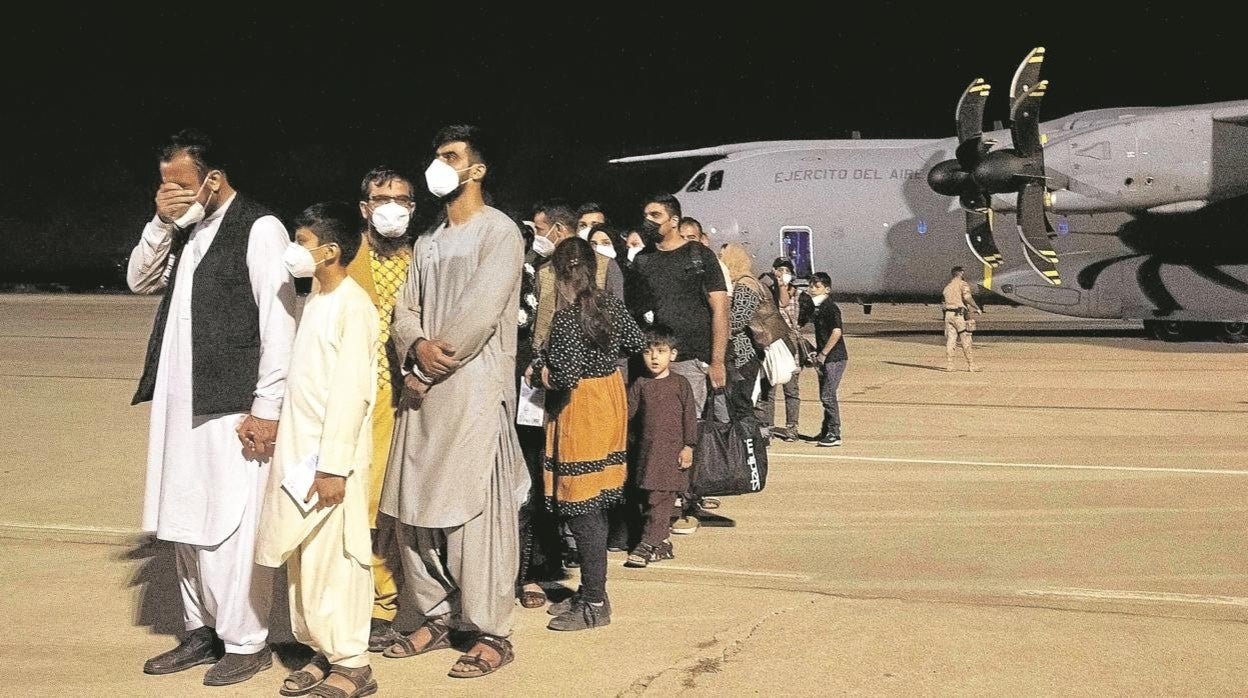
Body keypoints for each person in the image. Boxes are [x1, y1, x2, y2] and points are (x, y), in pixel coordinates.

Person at [128, 128, 295, 687]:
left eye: (180, 185)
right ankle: (201, 631)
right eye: (163, 185)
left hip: (231, 405)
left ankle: (246, 640)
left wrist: (267, 407)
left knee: (229, 523)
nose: (170, 194)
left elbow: (279, 323)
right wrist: (160, 223)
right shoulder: (183, 231)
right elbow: (138, 280)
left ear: (214, 180)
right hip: (181, 406)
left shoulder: (260, 228)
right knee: (185, 521)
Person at [378, 125, 527, 679]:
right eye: (436, 155)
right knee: (413, 509)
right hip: (421, 394)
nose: (438, 165)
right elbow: (405, 310)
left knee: (475, 514)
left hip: (472, 391)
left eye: (450, 157)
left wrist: (427, 362)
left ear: (477, 170)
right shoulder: (430, 241)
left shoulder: (501, 233)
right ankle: (436, 615)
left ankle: (490, 629)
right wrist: (414, 347)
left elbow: (480, 314)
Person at [254, 202, 380, 698]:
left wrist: (333, 467)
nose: (294, 250)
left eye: (302, 241)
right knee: (303, 561)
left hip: (333, 464)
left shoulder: (354, 306)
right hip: (299, 461)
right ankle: (321, 653)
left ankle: (353, 663)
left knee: (337, 561)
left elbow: (352, 394)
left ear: (329, 251)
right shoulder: (315, 301)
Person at [535, 237, 645, 630]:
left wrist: (540, 373)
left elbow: (563, 376)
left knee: (582, 510)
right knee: (595, 504)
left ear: (561, 275)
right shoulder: (611, 305)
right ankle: (592, 590)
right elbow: (636, 342)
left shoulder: (566, 320)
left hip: (580, 408)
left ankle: (595, 602)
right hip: (609, 399)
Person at [342, 165, 415, 653]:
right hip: (361, 401)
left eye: (402, 199)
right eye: (381, 197)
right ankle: (376, 604)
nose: (392, 206)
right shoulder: (343, 258)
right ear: (365, 207)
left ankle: (412, 601)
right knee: (367, 510)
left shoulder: (426, 258)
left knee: (405, 510)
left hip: (415, 400)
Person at [632, 194, 730, 535]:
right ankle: (662, 505)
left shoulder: (698, 256)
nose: (649, 220)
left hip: (693, 361)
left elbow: (721, 309)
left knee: (685, 435)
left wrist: (717, 360)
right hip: (655, 360)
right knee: (656, 435)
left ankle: (686, 503)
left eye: (655, 214)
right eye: (646, 214)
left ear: (674, 220)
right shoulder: (643, 261)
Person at [624, 327, 697, 568]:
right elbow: (628, 414)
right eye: (648, 352)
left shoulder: (680, 384)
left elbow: (690, 417)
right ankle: (662, 544)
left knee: (660, 500)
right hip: (646, 455)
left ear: (672, 355)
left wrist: (688, 447)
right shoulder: (641, 384)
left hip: (671, 455)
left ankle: (646, 545)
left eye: (661, 351)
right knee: (647, 500)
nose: (654, 357)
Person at [756, 258, 809, 441]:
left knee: (791, 389)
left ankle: (792, 427)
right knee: (768, 388)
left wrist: (783, 286)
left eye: (786, 270)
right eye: (779, 270)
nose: (782, 273)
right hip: (772, 343)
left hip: (790, 344)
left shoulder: (797, 293)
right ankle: (767, 427)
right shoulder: (767, 291)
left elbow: (785, 304)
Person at [718, 243, 767, 427]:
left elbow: (739, 319)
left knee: (741, 404)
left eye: (723, 256)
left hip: (743, 355)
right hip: (734, 355)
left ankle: (749, 442)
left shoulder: (746, 284)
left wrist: (717, 321)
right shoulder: (733, 283)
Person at [807, 273, 847, 446]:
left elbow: (836, 332)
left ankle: (834, 432)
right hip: (824, 357)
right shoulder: (818, 309)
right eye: (811, 286)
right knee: (826, 394)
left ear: (827, 289)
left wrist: (824, 353)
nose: (812, 289)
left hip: (835, 358)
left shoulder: (830, 308)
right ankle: (826, 429)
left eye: (817, 286)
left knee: (828, 395)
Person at [943, 265, 982, 372]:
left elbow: (944, 302)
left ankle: (950, 365)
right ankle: (971, 365)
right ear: (960, 273)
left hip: (948, 315)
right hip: (958, 315)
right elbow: (967, 297)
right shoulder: (963, 284)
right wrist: (977, 307)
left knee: (951, 339)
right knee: (966, 338)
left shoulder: (947, 287)